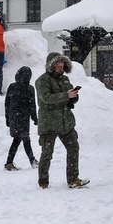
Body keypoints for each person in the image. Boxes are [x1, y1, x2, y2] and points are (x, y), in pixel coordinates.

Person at [36, 52, 88, 189]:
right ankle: (43, 182)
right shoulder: (42, 81)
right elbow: (46, 98)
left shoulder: (65, 79)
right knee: (47, 153)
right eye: (58, 65)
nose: (61, 67)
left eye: (62, 64)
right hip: (49, 122)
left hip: (66, 121)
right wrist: (66, 95)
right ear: (51, 66)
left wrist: (73, 96)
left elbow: (69, 97)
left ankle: (73, 179)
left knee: (73, 148)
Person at [4, 66, 39, 171]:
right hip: (24, 118)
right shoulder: (30, 88)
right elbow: (32, 105)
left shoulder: (12, 86)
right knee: (24, 139)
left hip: (14, 117)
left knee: (18, 139)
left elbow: (7, 103)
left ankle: (9, 163)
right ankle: (32, 160)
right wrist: (34, 118)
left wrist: (7, 118)